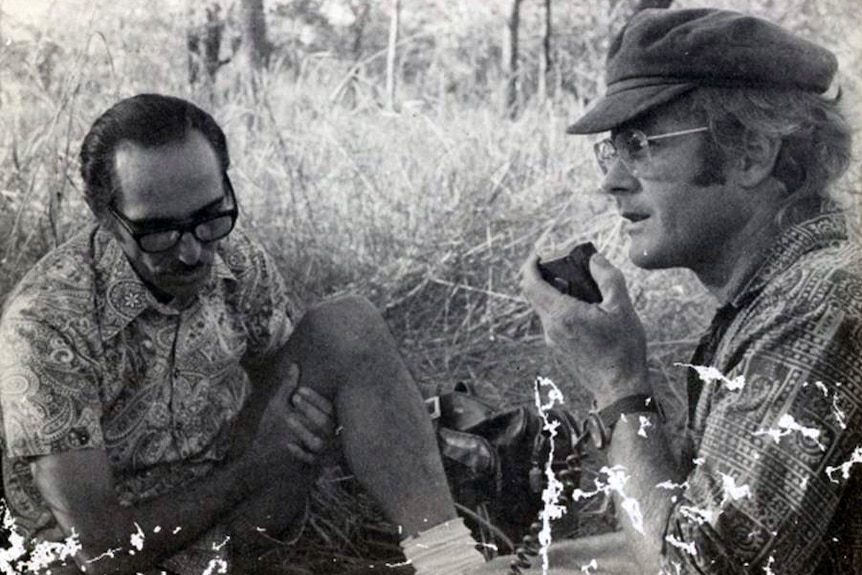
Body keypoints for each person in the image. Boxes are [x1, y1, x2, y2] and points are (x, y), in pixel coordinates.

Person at [0, 94, 486, 575]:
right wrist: (253, 468)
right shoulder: (45, 324)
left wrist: (324, 428)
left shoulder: (235, 258)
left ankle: (453, 564)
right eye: (160, 232)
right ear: (104, 214)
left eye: (210, 217)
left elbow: (301, 388)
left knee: (348, 325)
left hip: (234, 518)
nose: (193, 253)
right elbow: (101, 553)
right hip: (114, 558)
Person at [473, 8, 861, 575]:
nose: (611, 180)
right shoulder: (780, 294)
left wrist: (619, 382)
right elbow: (680, 532)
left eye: (641, 145)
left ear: (751, 153)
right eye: (613, 149)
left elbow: (694, 567)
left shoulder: (820, 306)